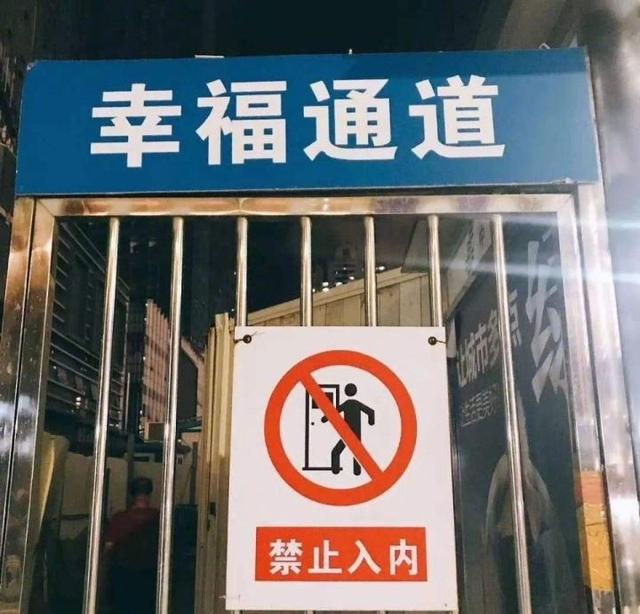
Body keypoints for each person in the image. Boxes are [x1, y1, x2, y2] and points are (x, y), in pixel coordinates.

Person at [105, 477, 160, 614]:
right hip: (150, 577)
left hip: (124, 577)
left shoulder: (119, 518)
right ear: (149, 494)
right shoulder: (160, 518)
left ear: (131, 496)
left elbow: (109, 546)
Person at [321, 383, 375, 475]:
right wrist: (371, 422)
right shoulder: (357, 403)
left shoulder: (346, 404)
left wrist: (324, 419)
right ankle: (357, 471)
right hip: (356, 433)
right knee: (357, 454)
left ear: (346, 392)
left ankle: (336, 470)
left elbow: (333, 413)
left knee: (336, 452)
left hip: (347, 434)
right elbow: (371, 412)